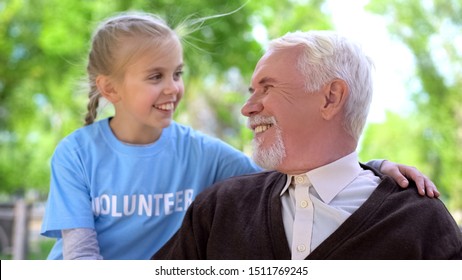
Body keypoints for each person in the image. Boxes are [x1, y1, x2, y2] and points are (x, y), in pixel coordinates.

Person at [152, 30, 462, 260]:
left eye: (266, 88)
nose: (247, 108)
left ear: (330, 98)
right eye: (251, 90)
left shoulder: (421, 220)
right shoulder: (219, 208)